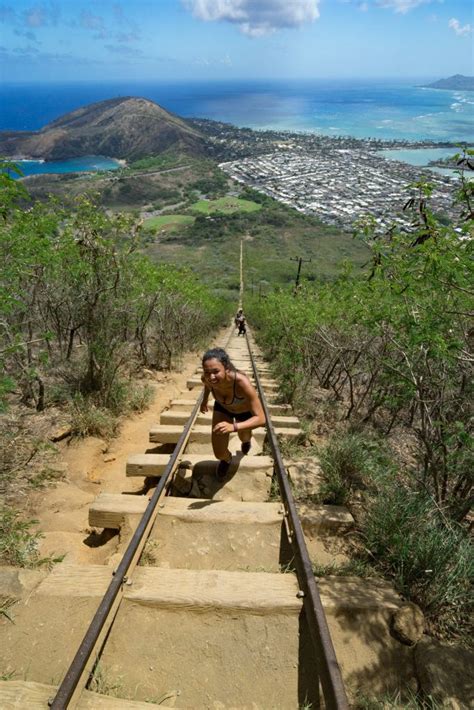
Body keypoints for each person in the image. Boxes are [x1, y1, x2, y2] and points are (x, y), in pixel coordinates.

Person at [201, 348, 266, 480]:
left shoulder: (242, 383)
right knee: (219, 453)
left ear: (226, 368)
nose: (211, 376)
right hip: (223, 408)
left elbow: (261, 418)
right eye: (207, 372)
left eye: (216, 371)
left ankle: (246, 441)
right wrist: (204, 400)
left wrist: (234, 427)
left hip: (244, 413)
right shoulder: (207, 379)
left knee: (244, 437)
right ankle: (227, 460)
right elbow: (207, 385)